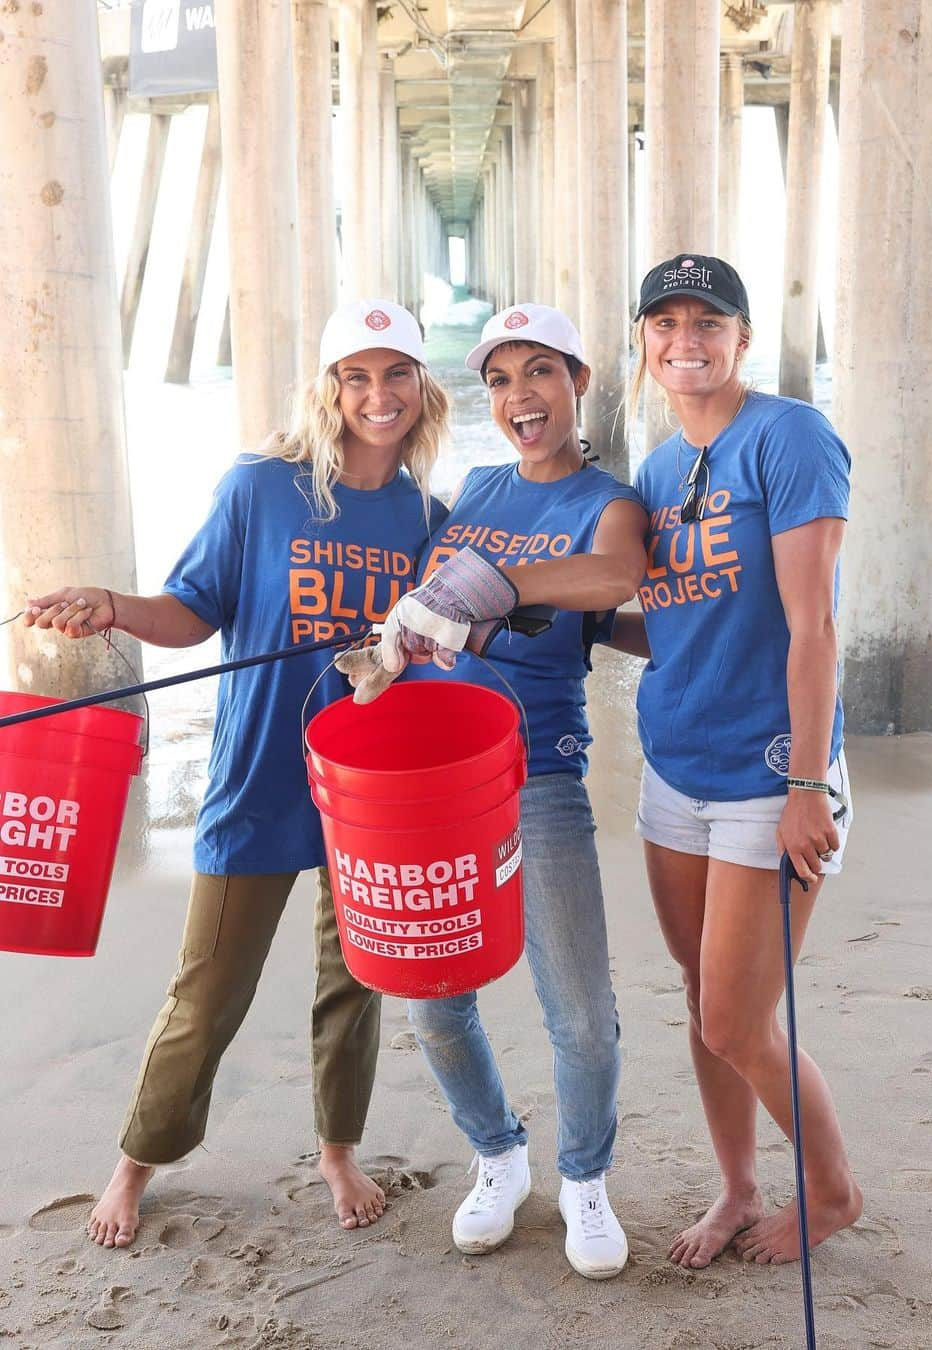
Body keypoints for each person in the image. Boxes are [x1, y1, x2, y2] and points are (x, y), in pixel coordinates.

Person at [23, 300, 450, 1249]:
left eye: (396, 375)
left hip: (368, 787)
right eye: (356, 376)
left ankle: (339, 1149)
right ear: (329, 389)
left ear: (424, 390)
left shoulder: (430, 519)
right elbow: (192, 608)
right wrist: (113, 607)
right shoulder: (262, 486)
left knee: (355, 978)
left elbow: (438, 656)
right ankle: (137, 1160)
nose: (376, 396)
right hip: (259, 772)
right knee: (209, 987)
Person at [338, 303, 647, 1280]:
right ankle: (499, 1155)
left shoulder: (610, 501)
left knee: (582, 1013)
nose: (522, 396)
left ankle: (586, 1182)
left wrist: (497, 586)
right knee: (432, 998)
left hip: (537, 777)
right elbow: (442, 614)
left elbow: (612, 578)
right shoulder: (471, 487)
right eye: (503, 378)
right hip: (433, 780)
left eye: (542, 373)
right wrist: (396, 644)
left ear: (578, 383)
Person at [608, 254, 861, 1268]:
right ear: (645, 345)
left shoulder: (789, 437)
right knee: (701, 1004)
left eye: (707, 322)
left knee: (738, 1019)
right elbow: (677, 628)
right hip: (676, 771)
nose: (686, 341)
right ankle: (737, 1187)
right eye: (664, 324)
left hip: (772, 776)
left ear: (741, 338)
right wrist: (563, 626)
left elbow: (814, 630)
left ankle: (834, 1192)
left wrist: (806, 785)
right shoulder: (659, 475)